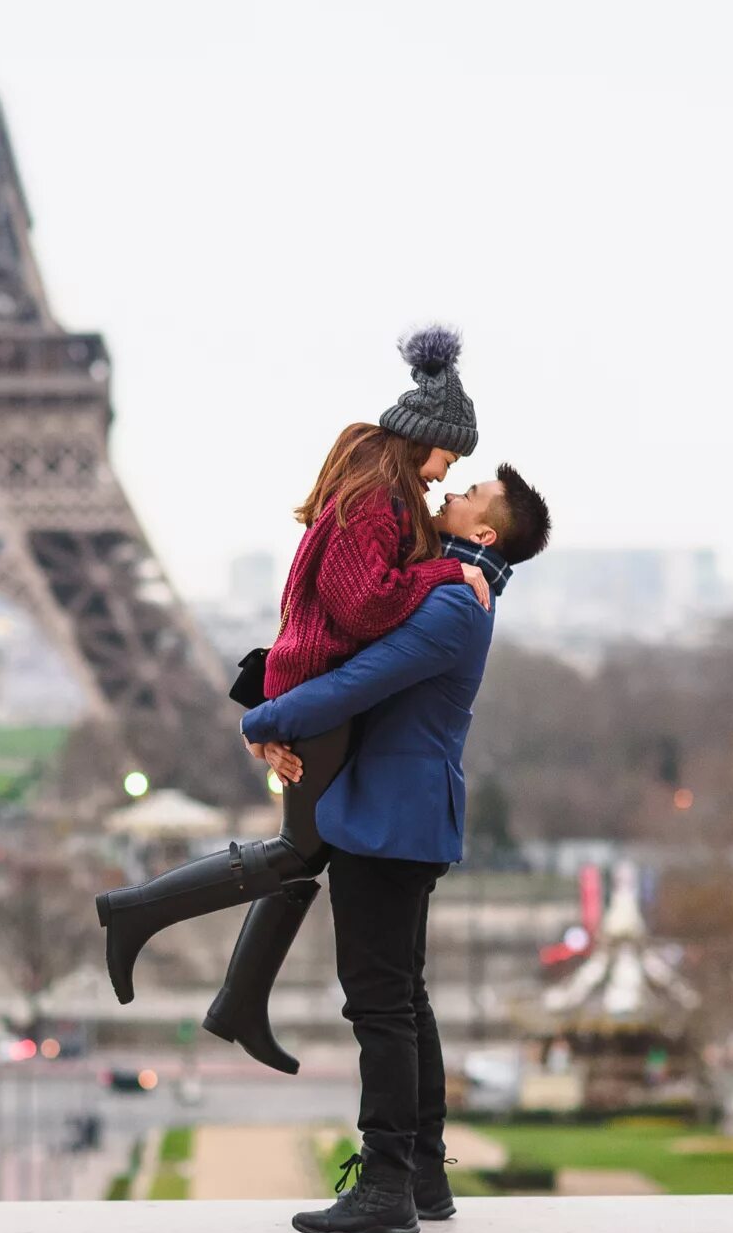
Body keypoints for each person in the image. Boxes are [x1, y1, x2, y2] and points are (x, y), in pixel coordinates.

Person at [95, 327, 487, 1022]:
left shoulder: (376, 493)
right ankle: (136, 913)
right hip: (316, 696)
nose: (444, 475)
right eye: (447, 457)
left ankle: (239, 1002)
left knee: (306, 852)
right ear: (422, 438)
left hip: (309, 691)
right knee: (295, 851)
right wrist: (445, 569)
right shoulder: (374, 500)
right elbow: (365, 606)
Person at [242, 465, 552, 1233]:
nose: (455, 490)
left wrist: (259, 720)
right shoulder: (449, 588)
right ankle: (421, 1173)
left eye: (471, 494)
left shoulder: (452, 603)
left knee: (378, 1002)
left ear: (484, 534)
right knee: (402, 998)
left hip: (388, 822)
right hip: (403, 819)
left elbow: (357, 683)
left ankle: (386, 1183)